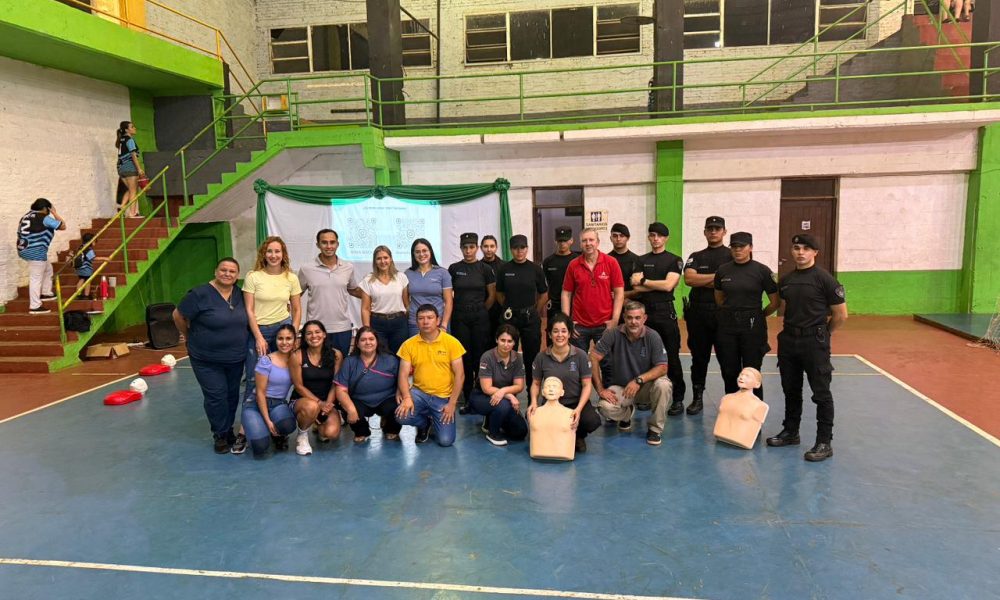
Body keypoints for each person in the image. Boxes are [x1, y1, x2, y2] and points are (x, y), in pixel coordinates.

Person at [767, 234, 848, 462]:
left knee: (821, 393)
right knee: (790, 390)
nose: (800, 252)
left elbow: (841, 315)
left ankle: (824, 442)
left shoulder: (826, 280)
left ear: (815, 253)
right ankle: (791, 431)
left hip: (814, 342)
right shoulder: (787, 280)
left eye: (806, 248)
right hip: (789, 341)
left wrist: (824, 334)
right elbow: (785, 307)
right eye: (796, 248)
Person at [173, 258, 250, 453]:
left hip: (235, 357)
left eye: (232, 271)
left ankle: (228, 429)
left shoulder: (240, 294)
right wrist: (188, 336)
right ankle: (220, 434)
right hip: (206, 358)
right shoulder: (199, 294)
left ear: (237, 275)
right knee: (216, 396)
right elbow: (178, 315)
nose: (227, 274)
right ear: (215, 271)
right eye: (223, 270)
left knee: (232, 395)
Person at [238, 236, 302, 454]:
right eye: (269, 251)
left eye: (277, 251)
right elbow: (249, 310)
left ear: (283, 254)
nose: (273, 255)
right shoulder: (253, 277)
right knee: (253, 381)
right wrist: (258, 336)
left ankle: (278, 428)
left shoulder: (291, 277)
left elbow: (297, 309)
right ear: (263, 254)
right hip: (260, 331)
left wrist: (292, 333)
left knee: (283, 379)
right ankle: (244, 431)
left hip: (283, 329)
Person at [589, 301, 672, 446]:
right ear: (624, 318)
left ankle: (655, 429)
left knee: (664, 385)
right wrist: (600, 390)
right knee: (604, 407)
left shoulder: (653, 336)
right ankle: (627, 414)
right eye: (630, 318)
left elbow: (663, 367)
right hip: (623, 388)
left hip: (646, 387)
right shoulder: (612, 334)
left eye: (637, 318)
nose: (633, 322)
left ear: (644, 318)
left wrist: (639, 380)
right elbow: (593, 357)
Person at [713, 232, 779, 401]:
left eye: (741, 246)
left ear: (750, 248)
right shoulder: (723, 270)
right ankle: (733, 408)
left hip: (753, 326)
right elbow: (719, 299)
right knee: (729, 370)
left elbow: (775, 302)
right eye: (734, 247)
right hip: (727, 325)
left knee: (751, 372)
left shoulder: (762, 271)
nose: (737, 250)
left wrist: (759, 315)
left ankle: (754, 412)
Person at [630, 222, 686, 416]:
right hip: (645, 313)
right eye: (652, 235)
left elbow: (668, 286)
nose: (656, 239)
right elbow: (635, 287)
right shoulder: (641, 260)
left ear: (666, 238)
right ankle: (645, 396)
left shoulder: (674, 260)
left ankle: (677, 399)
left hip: (665, 312)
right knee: (643, 355)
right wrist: (655, 284)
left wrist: (645, 281)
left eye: (660, 236)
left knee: (671, 356)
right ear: (648, 237)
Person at [561, 227, 624, 388]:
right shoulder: (573, 265)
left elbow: (619, 292)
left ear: (598, 242)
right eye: (584, 240)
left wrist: (615, 320)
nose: (588, 243)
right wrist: (567, 322)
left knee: (608, 365)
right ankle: (582, 400)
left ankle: (609, 398)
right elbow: (566, 294)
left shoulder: (611, 262)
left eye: (591, 240)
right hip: (579, 326)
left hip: (604, 325)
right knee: (577, 366)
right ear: (580, 243)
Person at [395, 304, 466, 447]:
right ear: (416, 322)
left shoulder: (452, 343)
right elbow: (403, 374)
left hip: (443, 398)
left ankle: (435, 418)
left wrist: (452, 404)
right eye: (421, 318)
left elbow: (460, 375)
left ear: (438, 320)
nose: (425, 322)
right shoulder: (408, 345)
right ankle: (424, 423)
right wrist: (407, 398)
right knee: (401, 416)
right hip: (419, 393)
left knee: (446, 441)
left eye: (430, 318)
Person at [529, 313, 599, 453]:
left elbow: (587, 385)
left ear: (569, 334)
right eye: (555, 331)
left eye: (563, 331)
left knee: (592, 421)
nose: (559, 335)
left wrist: (578, 409)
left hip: (575, 402)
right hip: (551, 403)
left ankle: (578, 436)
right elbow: (536, 384)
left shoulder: (581, 355)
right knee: (532, 416)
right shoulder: (541, 357)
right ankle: (553, 437)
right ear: (550, 335)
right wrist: (534, 402)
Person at [683, 216, 730, 415]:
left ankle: (730, 400)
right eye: (710, 228)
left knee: (728, 360)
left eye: (717, 229)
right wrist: (720, 277)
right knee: (699, 359)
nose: (713, 232)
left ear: (724, 232)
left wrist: (704, 280)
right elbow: (689, 279)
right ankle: (697, 398)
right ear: (704, 232)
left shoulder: (732, 255)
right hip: (698, 314)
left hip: (723, 314)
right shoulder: (697, 256)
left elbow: (733, 281)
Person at [448, 232, 496, 410]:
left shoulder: (485, 269)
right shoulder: (454, 268)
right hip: (460, 317)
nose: (468, 251)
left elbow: (491, 295)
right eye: (465, 247)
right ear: (461, 248)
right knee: (464, 357)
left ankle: (480, 393)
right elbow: (449, 294)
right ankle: (467, 396)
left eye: (471, 247)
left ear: (477, 248)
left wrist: (480, 310)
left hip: (480, 317)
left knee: (480, 356)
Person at [289, 320, 350, 456]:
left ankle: (317, 423)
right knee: (312, 407)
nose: (314, 336)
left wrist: (327, 404)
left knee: (330, 433)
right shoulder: (297, 356)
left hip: (327, 401)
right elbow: (298, 386)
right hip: (303, 401)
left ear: (324, 334)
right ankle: (302, 435)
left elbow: (336, 383)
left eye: (317, 332)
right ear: (304, 337)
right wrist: (319, 403)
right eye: (309, 333)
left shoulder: (336, 355)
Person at [298, 229, 361, 357]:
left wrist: (377, 293)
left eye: (332, 242)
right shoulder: (306, 269)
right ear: (318, 245)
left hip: (342, 328)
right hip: (316, 330)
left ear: (337, 244)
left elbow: (353, 290)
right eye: (324, 242)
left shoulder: (348, 267)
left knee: (340, 365)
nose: (329, 246)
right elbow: (296, 294)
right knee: (317, 365)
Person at [495, 234, 548, 384]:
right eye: (516, 248)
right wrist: (509, 308)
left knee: (532, 357)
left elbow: (544, 294)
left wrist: (535, 310)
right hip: (510, 318)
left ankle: (532, 392)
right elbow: (499, 293)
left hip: (530, 318)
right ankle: (509, 392)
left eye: (522, 248)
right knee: (507, 355)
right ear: (511, 249)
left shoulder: (535, 269)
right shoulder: (504, 269)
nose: (519, 251)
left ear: (527, 249)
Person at [336, 326, 403, 443]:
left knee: (399, 406)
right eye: (363, 340)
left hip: (386, 398)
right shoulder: (349, 362)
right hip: (360, 400)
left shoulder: (390, 360)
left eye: (371, 339)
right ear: (357, 343)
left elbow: (402, 382)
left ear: (377, 342)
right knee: (348, 408)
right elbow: (341, 390)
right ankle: (362, 431)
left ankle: (391, 429)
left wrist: (400, 394)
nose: (368, 342)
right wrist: (351, 409)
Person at [241, 324, 298, 457]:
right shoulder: (266, 361)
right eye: (280, 338)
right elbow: (260, 393)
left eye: (288, 338)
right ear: (276, 340)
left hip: (277, 404)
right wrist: (268, 421)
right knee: (260, 446)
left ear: (295, 341)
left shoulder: (296, 360)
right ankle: (259, 425)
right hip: (255, 404)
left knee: (287, 425)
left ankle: (275, 431)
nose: (284, 342)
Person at [468, 324, 528, 446]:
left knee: (520, 431)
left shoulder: (517, 358)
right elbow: (486, 388)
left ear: (514, 343)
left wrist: (503, 391)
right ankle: (493, 433)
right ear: (496, 340)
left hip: (503, 398)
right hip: (482, 396)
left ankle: (493, 417)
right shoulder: (487, 357)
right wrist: (509, 395)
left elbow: (519, 386)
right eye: (502, 340)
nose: (506, 344)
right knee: (503, 405)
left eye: (509, 341)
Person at [17, 198, 65, 314]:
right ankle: (35, 306)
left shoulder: (26, 216)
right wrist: (55, 213)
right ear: (45, 208)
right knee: (36, 278)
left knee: (48, 269)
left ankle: (46, 293)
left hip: (24, 248)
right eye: (48, 209)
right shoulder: (44, 218)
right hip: (36, 252)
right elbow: (63, 226)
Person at [360, 245, 410, 354]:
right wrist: (367, 330)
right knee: (381, 355)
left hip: (399, 323)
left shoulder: (401, 277)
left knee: (400, 355)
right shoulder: (368, 280)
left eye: (385, 258)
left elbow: (406, 304)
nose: (383, 261)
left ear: (391, 259)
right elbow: (365, 308)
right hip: (377, 324)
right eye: (379, 258)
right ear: (375, 261)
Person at [405, 238, 453, 337]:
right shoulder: (408, 273)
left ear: (430, 251)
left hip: (438, 323)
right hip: (415, 323)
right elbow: (405, 299)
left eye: (424, 251)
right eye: (417, 252)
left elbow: (449, 301)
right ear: (413, 254)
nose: (421, 254)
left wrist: (444, 325)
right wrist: (411, 311)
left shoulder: (443, 273)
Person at [714, 367, 768, 450]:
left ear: (757, 384)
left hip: (743, 442)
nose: (742, 377)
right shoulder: (726, 398)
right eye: (741, 375)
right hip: (720, 437)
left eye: (747, 376)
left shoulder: (760, 406)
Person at [541, 226, 579, 325]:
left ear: (571, 241)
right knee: (553, 331)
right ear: (555, 241)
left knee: (573, 332)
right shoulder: (548, 262)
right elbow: (545, 284)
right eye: (560, 241)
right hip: (554, 306)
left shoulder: (577, 260)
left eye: (565, 241)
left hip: (574, 305)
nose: (562, 243)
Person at [480, 234, 506, 348]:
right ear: (481, 248)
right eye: (486, 246)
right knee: (485, 344)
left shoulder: (505, 266)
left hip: (502, 312)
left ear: (496, 247)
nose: (489, 249)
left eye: (492, 246)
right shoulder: (478, 267)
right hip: (483, 313)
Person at [115, 121, 145, 218]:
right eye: (132, 127)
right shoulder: (130, 140)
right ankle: (133, 213)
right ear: (127, 130)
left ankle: (122, 207)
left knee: (131, 189)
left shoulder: (121, 140)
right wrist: (139, 169)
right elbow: (133, 155)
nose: (134, 128)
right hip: (129, 167)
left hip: (121, 168)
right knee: (133, 191)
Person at [609, 223, 642, 302]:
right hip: (609, 303)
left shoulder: (637, 260)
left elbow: (639, 290)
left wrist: (622, 294)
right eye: (615, 236)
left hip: (631, 305)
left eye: (622, 236)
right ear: (610, 238)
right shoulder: (605, 260)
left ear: (628, 238)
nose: (618, 239)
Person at [72, 233, 107, 301]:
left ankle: (78, 294)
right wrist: (104, 258)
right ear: (90, 241)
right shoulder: (88, 249)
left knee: (81, 279)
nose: (95, 243)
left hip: (79, 267)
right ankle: (86, 295)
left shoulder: (81, 247)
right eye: (94, 241)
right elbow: (93, 258)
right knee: (88, 281)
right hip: (86, 268)